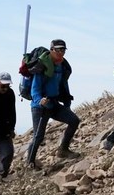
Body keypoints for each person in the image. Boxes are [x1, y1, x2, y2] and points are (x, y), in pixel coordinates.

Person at [26, 39, 81, 168]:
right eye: (58, 49)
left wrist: (67, 100)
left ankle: (63, 150)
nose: (61, 52)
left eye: (63, 50)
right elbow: (35, 87)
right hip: (40, 106)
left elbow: (63, 83)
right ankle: (30, 163)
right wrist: (39, 100)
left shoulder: (62, 65)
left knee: (74, 120)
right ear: (51, 50)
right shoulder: (43, 65)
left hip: (53, 103)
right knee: (38, 136)